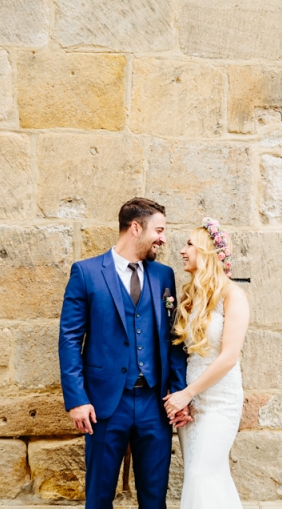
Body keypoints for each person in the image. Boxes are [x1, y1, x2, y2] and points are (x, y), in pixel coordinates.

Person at [58, 197, 191, 509]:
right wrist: (77, 399)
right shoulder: (86, 273)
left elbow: (173, 339)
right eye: (158, 230)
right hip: (105, 406)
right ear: (135, 227)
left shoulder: (163, 276)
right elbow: (69, 339)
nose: (163, 238)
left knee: (154, 499)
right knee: (100, 496)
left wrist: (179, 390)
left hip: (154, 405)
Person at [163, 218, 250, 509]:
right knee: (207, 477)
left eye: (190, 244)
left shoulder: (233, 296)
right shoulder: (190, 297)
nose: (182, 250)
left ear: (207, 251)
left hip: (220, 400)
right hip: (191, 404)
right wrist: (185, 397)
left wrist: (185, 394)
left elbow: (228, 357)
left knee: (202, 474)